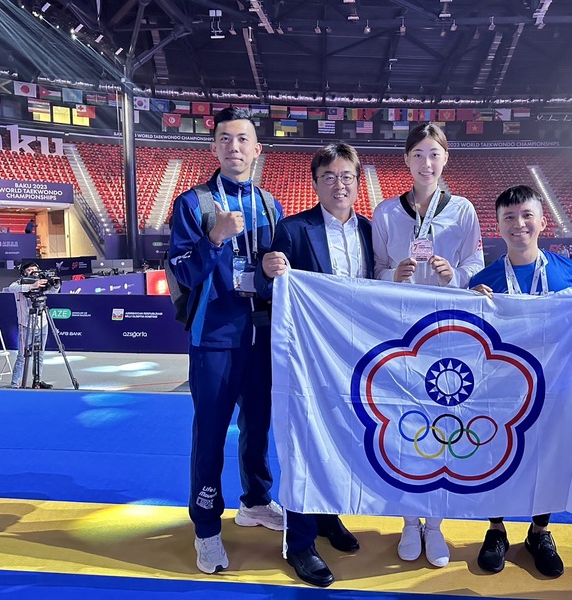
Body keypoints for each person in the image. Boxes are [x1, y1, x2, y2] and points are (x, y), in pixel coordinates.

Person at [469, 184, 572, 578]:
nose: (519, 225)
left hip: (555, 385)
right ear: (497, 226)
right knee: (494, 453)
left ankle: (539, 532)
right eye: (509, 218)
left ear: (542, 220)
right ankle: (496, 530)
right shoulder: (483, 280)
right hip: (501, 389)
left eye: (526, 216)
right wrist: (472, 304)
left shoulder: (569, 271)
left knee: (550, 452)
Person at [168, 107, 285, 575]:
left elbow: (277, 272)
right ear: (213, 147)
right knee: (212, 433)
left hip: (261, 334)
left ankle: (256, 501)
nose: (234, 147)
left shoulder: (271, 204)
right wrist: (215, 238)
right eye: (224, 140)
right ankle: (206, 527)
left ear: (257, 150)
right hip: (214, 335)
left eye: (243, 140)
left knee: (259, 426)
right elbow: (179, 272)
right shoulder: (193, 203)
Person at [256, 142, 372, 587]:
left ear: (357, 183)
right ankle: (299, 543)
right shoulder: (292, 229)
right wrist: (267, 271)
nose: (339, 184)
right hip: (306, 359)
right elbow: (271, 291)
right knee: (302, 444)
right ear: (316, 183)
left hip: (354, 358)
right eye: (329, 177)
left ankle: (327, 518)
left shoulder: (368, 230)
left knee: (341, 440)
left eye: (347, 176)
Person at [372, 122, 484, 568]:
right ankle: (407, 520)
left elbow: (476, 261)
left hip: (449, 332)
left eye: (434, 153)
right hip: (400, 332)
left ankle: (435, 523)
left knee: (443, 426)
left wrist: (452, 275)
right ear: (406, 160)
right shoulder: (385, 212)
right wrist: (391, 275)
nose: (426, 162)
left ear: (445, 158)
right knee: (403, 424)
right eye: (418, 153)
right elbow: (375, 267)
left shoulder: (463, 210)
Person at [8, 260, 60, 389]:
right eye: (30, 270)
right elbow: (11, 288)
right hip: (25, 325)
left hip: (42, 324)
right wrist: (31, 286)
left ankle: (37, 381)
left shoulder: (41, 282)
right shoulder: (19, 284)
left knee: (40, 354)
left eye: (35, 269)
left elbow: (53, 292)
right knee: (22, 356)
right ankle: (15, 384)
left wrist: (55, 284)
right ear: (24, 272)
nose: (33, 272)